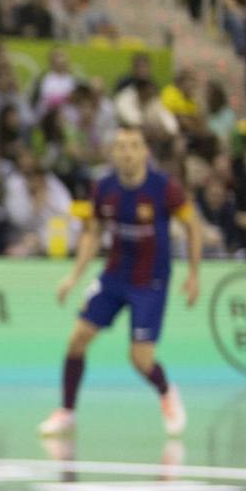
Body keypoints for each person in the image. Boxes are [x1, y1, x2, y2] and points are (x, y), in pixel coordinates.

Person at [38, 126, 202, 439]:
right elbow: (93, 232)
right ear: (113, 153)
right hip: (114, 277)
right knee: (77, 338)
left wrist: (194, 274)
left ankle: (167, 392)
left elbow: (192, 225)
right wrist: (74, 276)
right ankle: (67, 413)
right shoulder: (104, 188)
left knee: (140, 359)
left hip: (150, 282)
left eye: (134, 146)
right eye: (121, 147)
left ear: (145, 153)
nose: (126, 152)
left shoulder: (164, 188)